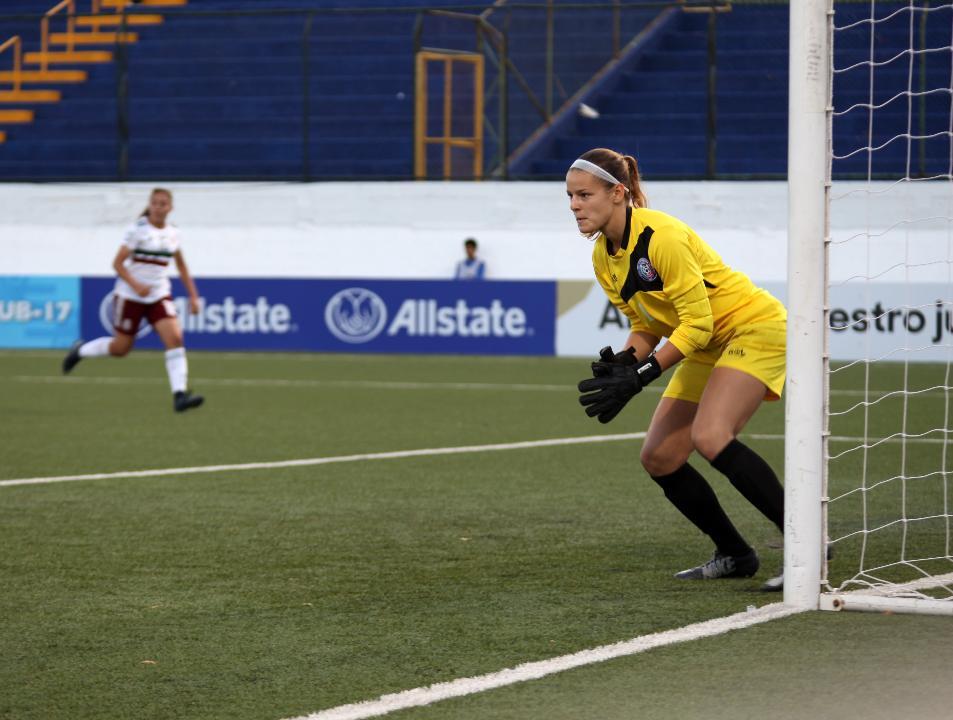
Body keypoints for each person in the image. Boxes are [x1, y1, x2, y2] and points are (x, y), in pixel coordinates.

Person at [569, 147, 786, 591]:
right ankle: (735, 554)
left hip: (751, 326)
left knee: (710, 436)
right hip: (705, 344)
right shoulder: (602, 256)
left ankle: (806, 542)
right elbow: (646, 324)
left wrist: (645, 374)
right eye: (570, 197)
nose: (574, 206)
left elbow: (699, 324)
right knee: (660, 457)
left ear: (618, 193)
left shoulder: (661, 235)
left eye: (584, 195)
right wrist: (627, 362)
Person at [63, 187, 205, 413]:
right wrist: (136, 284)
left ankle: (179, 395)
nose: (158, 208)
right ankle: (79, 351)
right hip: (131, 296)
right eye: (155, 203)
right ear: (150, 205)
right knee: (121, 348)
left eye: (163, 204)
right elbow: (117, 263)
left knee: (175, 338)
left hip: (159, 295)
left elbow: (181, 265)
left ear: (171, 208)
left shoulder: (174, 233)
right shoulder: (137, 231)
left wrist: (194, 296)